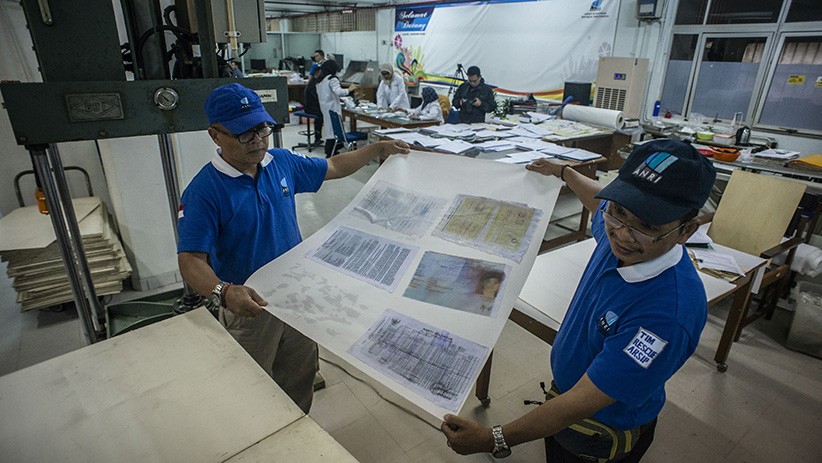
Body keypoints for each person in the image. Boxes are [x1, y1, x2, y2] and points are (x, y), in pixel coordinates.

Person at [441, 139, 716, 462]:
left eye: (646, 225)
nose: (622, 233)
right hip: (565, 396)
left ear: (686, 230)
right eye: (619, 211)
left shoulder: (667, 315)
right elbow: (598, 203)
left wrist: (493, 439)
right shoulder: (624, 240)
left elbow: (583, 401)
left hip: (598, 429)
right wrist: (564, 172)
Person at [176, 83, 410, 414]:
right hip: (250, 307)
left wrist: (376, 149)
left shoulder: (281, 163)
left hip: (296, 298)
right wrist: (223, 292)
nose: (258, 140)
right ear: (215, 135)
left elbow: (333, 166)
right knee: (252, 386)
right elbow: (190, 260)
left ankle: (300, 427)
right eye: (244, 133)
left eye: (262, 128)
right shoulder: (204, 191)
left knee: (299, 375)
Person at [316, 60, 358, 158]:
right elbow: (338, 91)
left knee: (329, 130)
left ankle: (331, 151)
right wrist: (349, 89)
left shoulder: (321, 80)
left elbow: (329, 94)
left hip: (325, 108)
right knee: (333, 131)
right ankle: (331, 153)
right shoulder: (332, 79)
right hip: (332, 108)